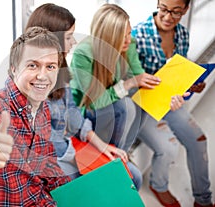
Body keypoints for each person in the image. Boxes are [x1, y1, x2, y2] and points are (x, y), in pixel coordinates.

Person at [24, 3, 143, 190]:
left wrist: (101, 145)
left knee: (134, 178)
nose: (74, 43)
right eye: (69, 37)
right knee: (117, 183)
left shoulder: (59, 68)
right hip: (56, 160)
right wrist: (75, 161)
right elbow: (46, 143)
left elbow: (71, 111)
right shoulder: (29, 82)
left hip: (70, 146)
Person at [0, 26, 71, 207]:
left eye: (50, 66)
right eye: (33, 65)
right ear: (14, 69)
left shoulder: (42, 109)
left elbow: (47, 167)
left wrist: (79, 193)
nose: (43, 75)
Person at [70, 3, 185, 167]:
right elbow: (94, 102)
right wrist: (130, 83)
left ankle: (122, 152)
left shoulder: (128, 44)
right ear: (108, 37)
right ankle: (116, 158)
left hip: (109, 103)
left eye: (129, 32)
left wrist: (171, 94)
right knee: (126, 106)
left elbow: (141, 79)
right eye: (122, 35)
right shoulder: (84, 53)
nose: (128, 39)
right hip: (87, 111)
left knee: (142, 98)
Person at [132, 0, 214, 207]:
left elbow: (178, 72)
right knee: (169, 147)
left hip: (169, 101)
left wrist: (191, 85)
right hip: (142, 105)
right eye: (164, 10)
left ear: (186, 10)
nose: (168, 17)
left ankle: (203, 200)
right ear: (157, 3)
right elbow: (126, 82)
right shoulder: (136, 35)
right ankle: (158, 186)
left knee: (199, 142)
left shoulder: (183, 35)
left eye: (176, 12)